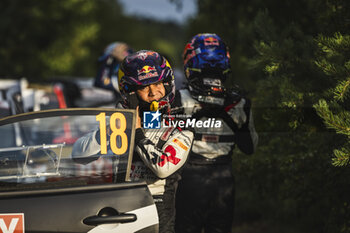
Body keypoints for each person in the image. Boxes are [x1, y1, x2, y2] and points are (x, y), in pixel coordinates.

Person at [72, 50, 194, 233]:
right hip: (119, 205)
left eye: (158, 83)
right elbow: (78, 154)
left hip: (157, 208)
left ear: (168, 84)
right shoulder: (119, 125)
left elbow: (163, 168)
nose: (154, 93)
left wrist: (137, 134)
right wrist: (115, 129)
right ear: (131, 93)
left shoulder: (181, 126)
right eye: (144, 88)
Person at [174, 33, 259, 233]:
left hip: (187, 179)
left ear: (190, 60)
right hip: (224, 181)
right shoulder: (241, 103)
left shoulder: (179, 99)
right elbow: (249, 147)